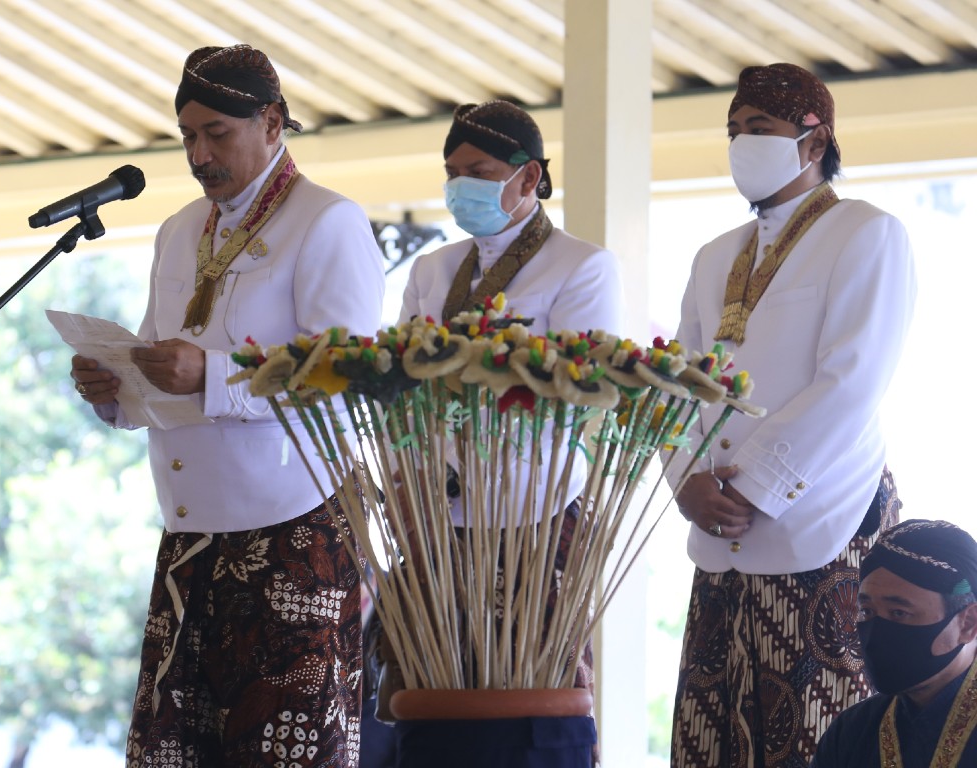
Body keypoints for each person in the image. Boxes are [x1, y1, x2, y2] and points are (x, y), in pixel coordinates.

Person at [69, 44, 385, 766]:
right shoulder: (180, 228)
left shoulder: (327, 221)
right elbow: (160, 364)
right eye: (187, 136)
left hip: (294, 531)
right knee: (178, 752)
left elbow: (342, 376)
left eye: (217, 133)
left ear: (272, 122)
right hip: (190, 534)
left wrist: (212, 375)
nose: (198, 154)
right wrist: (117, 389)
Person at [664, 63, 917, 767]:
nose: (743, 142)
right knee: (710, 730)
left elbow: (852, 381)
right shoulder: (715, 255)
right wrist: (685, 479)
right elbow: (678, 383)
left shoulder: (866, 232)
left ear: (814, 141)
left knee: (814, 730)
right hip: (716, 523)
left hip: (820, 519)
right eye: (735, 130)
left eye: (761, 129)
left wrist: (753, 484)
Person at [389, 100, 626, 755]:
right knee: (439, 708)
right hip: (438, 518)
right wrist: (407, 478)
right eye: (452, 171)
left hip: (536, 514)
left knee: (533, 709)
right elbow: (400, 389)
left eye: (480, 170)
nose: (461, 184)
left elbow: (577, 396)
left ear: (530, 178)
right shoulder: (431, 270)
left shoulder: (580, 266)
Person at [812, 519, 977, 767]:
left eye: (899, 613)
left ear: (968, 623)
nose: (876, 633)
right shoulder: (852, 731)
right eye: (866, 611)